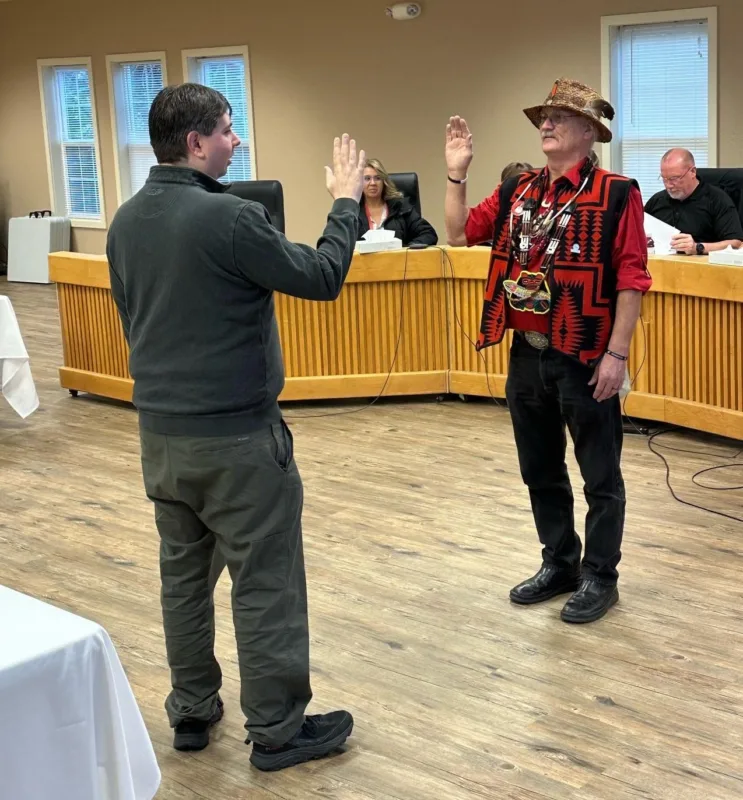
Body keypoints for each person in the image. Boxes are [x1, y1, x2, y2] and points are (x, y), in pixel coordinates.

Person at [106, 83, 364, 772]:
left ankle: (192, 709)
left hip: (160, 440)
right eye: (227, 129)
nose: (236, 140)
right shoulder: (231, 219)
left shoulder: (126, 221)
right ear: (195, 143)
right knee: (265, 581)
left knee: (182, 580)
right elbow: (321, 274)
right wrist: (345, 201)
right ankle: (278, 730)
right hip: (239, 444)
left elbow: (133, 322)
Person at [444, 79, 652, 624]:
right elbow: (460, 231)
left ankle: (600, 575)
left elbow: (632, 277)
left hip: (584, 352)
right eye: (544, 116)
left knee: (600, 476)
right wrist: (457, 173)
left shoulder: (617, 192)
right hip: (527, 350)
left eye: (559, 117)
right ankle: (559, 562)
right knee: (539, 468)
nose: (546, 124)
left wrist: (618, 354)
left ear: (589, 133)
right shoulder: (519, 188)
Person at [644, 148, 743, 254]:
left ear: (692, 172)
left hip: (702, 267)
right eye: (664, 178)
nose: (668, 185)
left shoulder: (717, 199)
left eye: (674, 178)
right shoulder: (657, 200)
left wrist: (697, 247)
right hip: (661, 265)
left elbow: (736, 243)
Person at [357, 157, 438, 246]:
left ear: (384, 182)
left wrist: (406, 251)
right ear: (360, 182)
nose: (373, 183)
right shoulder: (353, 211)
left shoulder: (400, 208)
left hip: (398, 259)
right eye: (367, 178)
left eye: (377, 178)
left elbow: (428, 233)